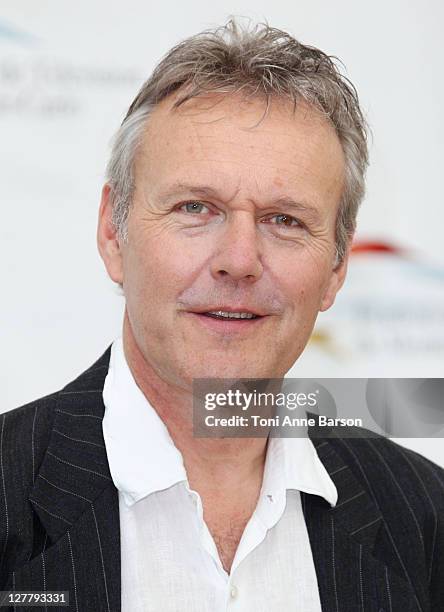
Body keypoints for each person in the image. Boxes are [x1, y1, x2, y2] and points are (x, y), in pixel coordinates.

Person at [1, 19, 443, 612]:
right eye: (195, 207)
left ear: (337, 265)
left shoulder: (422, 514)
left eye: (285, 220)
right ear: (113, 232)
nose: (239, 261)